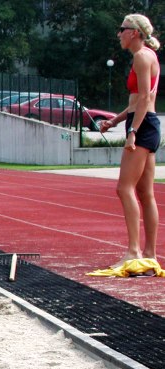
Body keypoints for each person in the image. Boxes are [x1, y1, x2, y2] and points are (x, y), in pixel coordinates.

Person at [99, 14, 160, 269]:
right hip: (146, 123)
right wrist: (114, 122)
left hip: (143, 126)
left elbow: (145, 99)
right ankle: (150, 254)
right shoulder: (146, 57)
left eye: (122, 30)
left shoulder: (141, 57)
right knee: (145, 193)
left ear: (134, 32)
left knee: (124, 188)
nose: (119, 34)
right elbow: (137, 102)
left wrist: (132, 132)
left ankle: (134, 251)